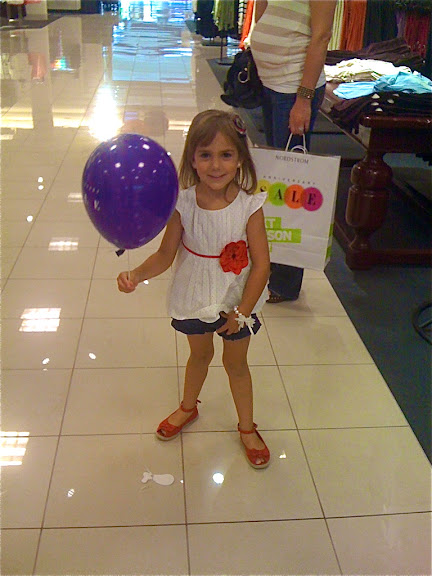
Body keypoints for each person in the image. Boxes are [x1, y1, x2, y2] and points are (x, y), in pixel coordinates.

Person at [117, 110, 271, 469]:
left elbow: (262, 265)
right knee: (198, 356)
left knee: (236, 364)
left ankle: (247, 427)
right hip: (195, 293)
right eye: (205, 155)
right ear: (192, 159)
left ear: (240, 159)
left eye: (226, 154)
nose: (215, 165)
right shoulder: (182, 203)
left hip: (236, 297)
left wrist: (242, 312)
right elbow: (165, 255)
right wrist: (136, 274)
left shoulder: (250, 206)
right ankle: (188, 407)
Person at [250, 0, 337, 303]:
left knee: (290, 187)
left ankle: (285, 282)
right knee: (273, 182)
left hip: (293, 89)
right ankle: (268, 264)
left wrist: (304, 99)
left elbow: (321, 36)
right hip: (272, 84)